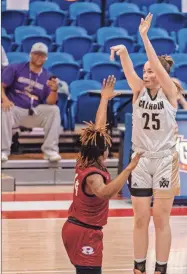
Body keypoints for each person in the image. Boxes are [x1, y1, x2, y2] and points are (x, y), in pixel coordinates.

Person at [110, 13, 181, 274]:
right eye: (145, 70)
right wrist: (126, 52)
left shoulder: (171, 92)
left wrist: (144, 36)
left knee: (161, 218)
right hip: (140, 159)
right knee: (140, 218)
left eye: (151, 70)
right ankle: (138, 267)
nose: (146, 73)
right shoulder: (138, 90)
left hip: (163, 160)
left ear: (161, 74)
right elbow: (128, 70)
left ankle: (161, 268)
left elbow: (155, 64)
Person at [62, 75, 141, 274]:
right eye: (107, 147)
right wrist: (129, 168)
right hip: (84, 232)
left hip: (78, 229)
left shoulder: (83, 159)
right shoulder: (93, 175)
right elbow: (105, 193)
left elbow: (98, 129)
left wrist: (105, 99)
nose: (109, 149)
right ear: (101, 152)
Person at [1, 42, 61, 162]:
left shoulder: (47, 76)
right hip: (15, 110)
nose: (39, 57)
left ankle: (50, 151)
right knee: (3, 108)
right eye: (36, 54)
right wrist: (5, 99)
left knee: (54, 110)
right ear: (30, 55)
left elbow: (50, 102)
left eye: (42, 55)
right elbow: (1, 85)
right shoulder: (15, 68)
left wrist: (54, 90)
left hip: (33, 111)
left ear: (46, 57)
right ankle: (3, 151)